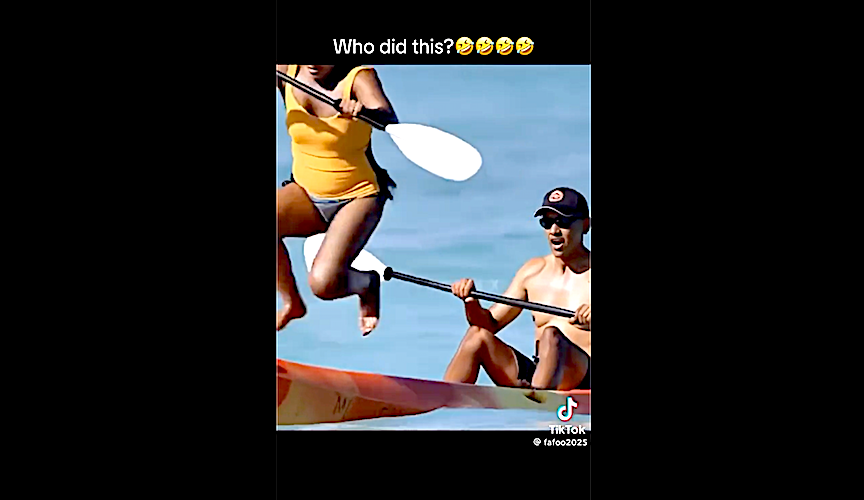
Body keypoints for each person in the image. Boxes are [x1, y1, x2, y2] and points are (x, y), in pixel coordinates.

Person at [276, 65, 398, 334]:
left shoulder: (358, 78)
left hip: (358, 197)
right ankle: (292, 303)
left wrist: (363, 112)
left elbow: (388, 118)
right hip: (306, 193)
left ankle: (366, 283)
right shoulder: (287, 70)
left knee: (323, 285)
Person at [443, 187, 591, 390]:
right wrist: (470, 302)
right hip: (539, 375)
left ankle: (537, 400)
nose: (554, 230)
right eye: (547, 222)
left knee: (551, 336)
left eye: (563, 222)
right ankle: (440, 399)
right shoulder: (533, 271)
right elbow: (488, 324)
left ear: (585, 225)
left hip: (584, 379)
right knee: (477, 335)